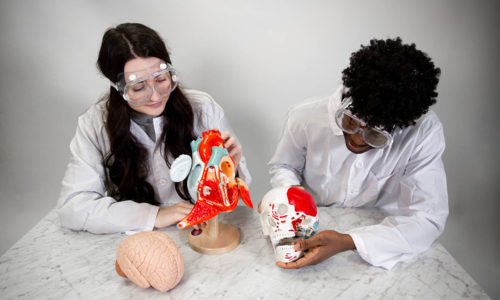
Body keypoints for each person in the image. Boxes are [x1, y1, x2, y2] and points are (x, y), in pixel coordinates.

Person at [266, 38, 448, 270]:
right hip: (312, 222)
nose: (357, 139)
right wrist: (289, 193)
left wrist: (349, 241)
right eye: (350, 121)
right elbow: (284, 165)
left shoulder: (423, 132)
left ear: (399, 127)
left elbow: (428, 218)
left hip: (384, 238)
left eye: (375, 135)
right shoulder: (306, 116)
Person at [57, 23, 251, 234]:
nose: (156, 96)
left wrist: (230, 170)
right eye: (139, 88)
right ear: (117, 88)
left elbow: (237, 194)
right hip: (134, 237)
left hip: (200, 229)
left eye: (161, 79)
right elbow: (73, 209)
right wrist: (154, 216)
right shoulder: (94, 124)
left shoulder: (203, 109)